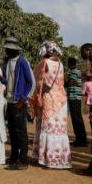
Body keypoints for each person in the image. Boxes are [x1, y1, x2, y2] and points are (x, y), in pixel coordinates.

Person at [29, 41, 71, 169]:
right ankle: (59, 160)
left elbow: (36, 80)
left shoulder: (45, 63)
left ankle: (48, 160)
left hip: (48, 99)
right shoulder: (60, 64)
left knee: (47, 128)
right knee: (58, 130)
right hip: (61, 100)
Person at [2, 37, 35, 171]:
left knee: (21, 132)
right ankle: (14, 157)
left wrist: (22, 100)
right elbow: (7, 79)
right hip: (9, 101)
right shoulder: (6, 61)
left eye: (9, 49)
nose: (7, 51)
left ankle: (23, 161)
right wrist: (0, 78)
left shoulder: (23, 62)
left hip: (19, 102)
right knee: (12, 131)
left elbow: (32, 83)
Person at [64, 57, 87, 147]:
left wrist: (64, 84)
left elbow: (71, 81)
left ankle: (82, 140)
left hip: (74, 97)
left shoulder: (74, 72)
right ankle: (79, 139)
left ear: (69, 64)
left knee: (77, 118)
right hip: (74, 97)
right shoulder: (76, 71)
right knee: (76, 118)